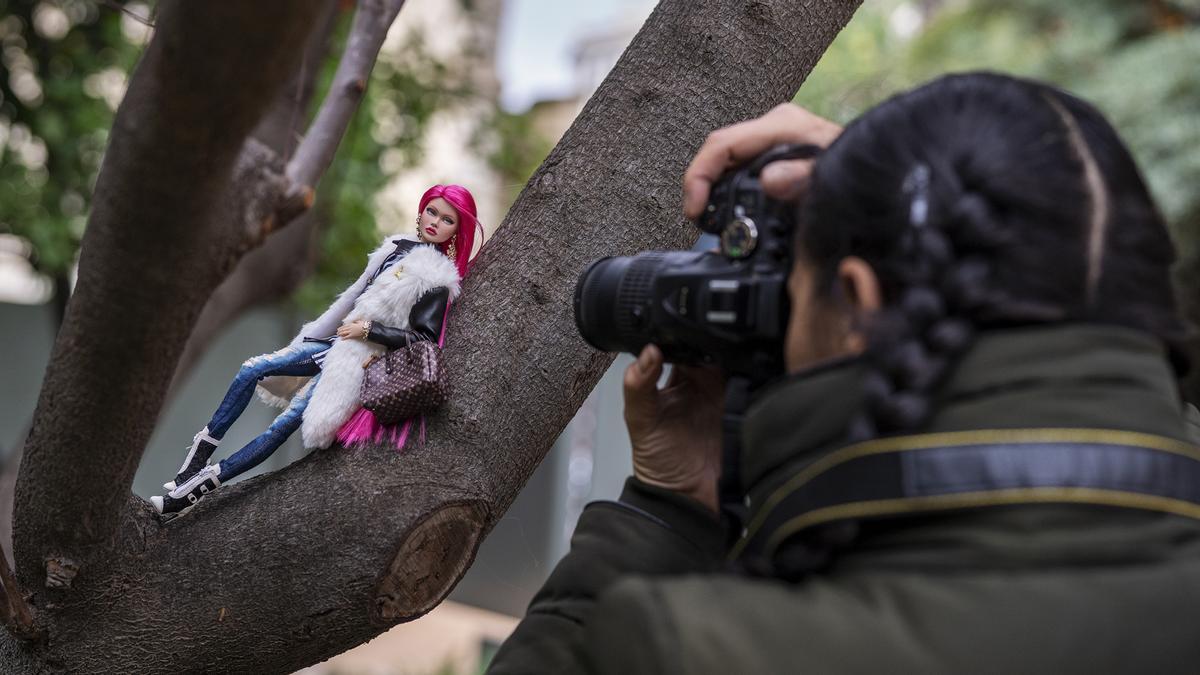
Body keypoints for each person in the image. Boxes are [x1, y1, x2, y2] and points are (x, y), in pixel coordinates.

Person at [488, 73, 1200, 673]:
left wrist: (667, 515)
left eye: (792, 290)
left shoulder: (693, 650)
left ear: (858, 304)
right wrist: (897, 194)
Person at [151, 184, 483, 518]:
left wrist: (370, 331)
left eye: (447, 220)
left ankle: (197, 488)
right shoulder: (395, 247)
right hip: (333, 343)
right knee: (253, 369)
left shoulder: (437, 279)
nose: (435, 222)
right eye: (432, 211)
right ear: (422, 209)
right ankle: (196, 459)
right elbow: (353, 295)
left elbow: (424, 339)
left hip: (358, 363)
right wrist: (317, 333)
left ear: (457, 230)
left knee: (282, 426)